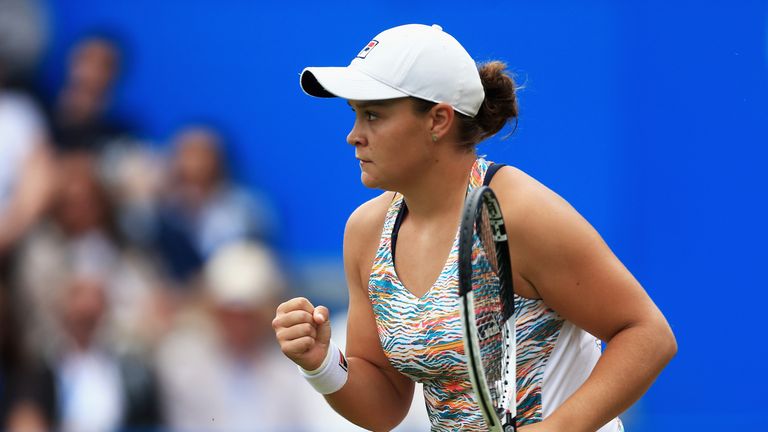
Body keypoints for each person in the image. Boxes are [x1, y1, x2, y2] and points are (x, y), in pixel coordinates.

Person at [272, 23, 676, 431]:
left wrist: (557, 428)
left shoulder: (518, 211)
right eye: (356, 114)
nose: (353, 136)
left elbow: (646, 333)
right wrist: (323, 363)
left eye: (374, 114)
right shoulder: (366, 232)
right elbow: (386, 405)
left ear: (438, 120)